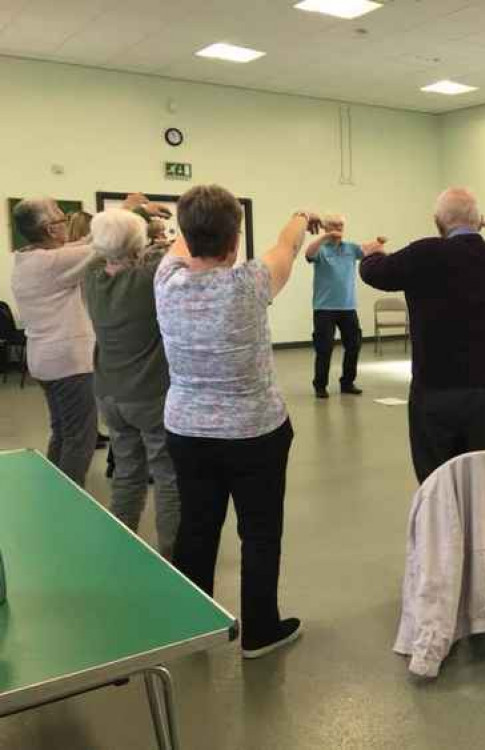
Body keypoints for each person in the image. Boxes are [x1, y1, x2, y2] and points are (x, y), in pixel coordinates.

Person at [155, 184, 326, 659]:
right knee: (260, 530)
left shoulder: (165, 280)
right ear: (235, 241)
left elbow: (181, 241)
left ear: (187, 236)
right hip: (254, 433)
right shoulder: (250, 282)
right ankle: (260, 631)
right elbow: (287, 244)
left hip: (187, 431)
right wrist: (301, 211)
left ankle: (193, 623)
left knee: (197, 526)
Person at [360, 187, 485, 483]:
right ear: (479, 220)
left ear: (438, 221)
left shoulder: (423, 253)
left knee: (437, 485)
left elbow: (374, 273)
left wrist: (371, 254)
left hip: (434, 394)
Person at [83, 209, 180, 559]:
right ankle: (173, 556)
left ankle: (122, 546)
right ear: (138, 245)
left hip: (110, 394)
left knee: (127, 471)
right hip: (149, 395)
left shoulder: (91, 277)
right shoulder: (149, 278)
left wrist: (132, 222)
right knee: (167, 474)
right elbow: (179, 249)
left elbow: (100, 250)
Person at [10, 198, 97, 487]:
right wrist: (134, 212)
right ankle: (70, 502)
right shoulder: (52, 263)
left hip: (45, 361)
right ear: (50, 230)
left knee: (62, 431)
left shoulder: (28, 258)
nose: (66, 221)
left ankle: (52, 489)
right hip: (68, 364)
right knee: (79, 440)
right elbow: (103, 246)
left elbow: (82, 244)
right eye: (61, 218)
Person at [305, 214, 370, 398]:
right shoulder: (321, 249)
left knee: (354, 345)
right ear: (326, 227)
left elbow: (368, 251)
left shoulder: (351, 248)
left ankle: (347, 382)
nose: (338, 228)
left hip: (348, 307)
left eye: (341, 225)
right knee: (324, 348)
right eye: (334, 225)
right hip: (324, 308)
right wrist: (325, 237)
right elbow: (308, 254)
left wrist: (380, 246)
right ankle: (320, 385)